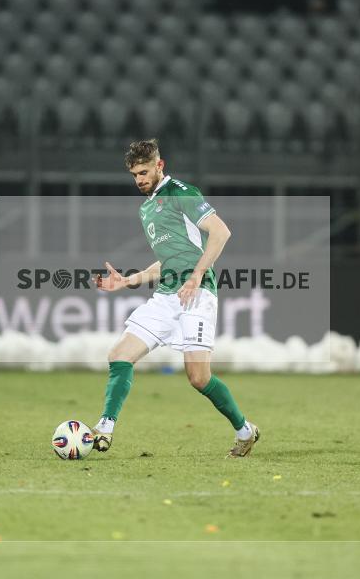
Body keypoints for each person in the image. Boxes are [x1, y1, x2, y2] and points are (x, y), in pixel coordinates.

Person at [92, 139, 259, 458]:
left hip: (197, 294)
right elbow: (168, 260)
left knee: (198, 378)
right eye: (134, 174)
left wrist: (196, 276)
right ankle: (105, 427)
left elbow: (221, 232)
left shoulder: (182, 193)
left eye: (144, 171)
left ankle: (245, 431)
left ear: (160, 166)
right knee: (119, 355)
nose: (139, 179)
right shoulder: (146, 208)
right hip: (167, 294)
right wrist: (129, 280)